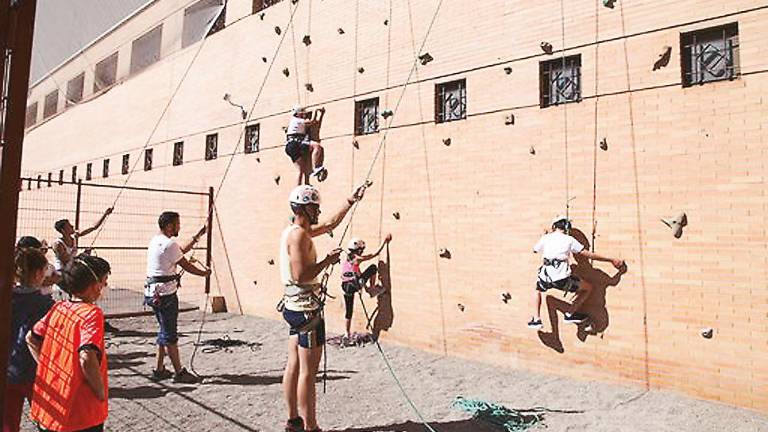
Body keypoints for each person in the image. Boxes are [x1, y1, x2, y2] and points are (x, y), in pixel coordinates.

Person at [280, 182, 369, 432]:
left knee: (294, 365)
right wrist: (328, 261)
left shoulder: (294, 231)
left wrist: (350, 200)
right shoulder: (299, 236)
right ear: (306, 208)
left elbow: (330, 224)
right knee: (308, 373)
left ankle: (293, 420)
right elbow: (300, 274)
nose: (318, 212)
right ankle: (311, 427)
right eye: (315, 207)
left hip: (294, 309)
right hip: (306, 311)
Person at [26, 254, 112, 432]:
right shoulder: (91, 313)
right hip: (79, 413)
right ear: (94, 284)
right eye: (104, 281)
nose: (104, 287)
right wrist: (100, 391)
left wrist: (49, 366)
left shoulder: (59, 307)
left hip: (51, 405)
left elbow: (32, 338)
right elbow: (87, 357)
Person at [145, 211, 210, 383]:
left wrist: (197, 236)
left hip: (154, 293)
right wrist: (204, 274)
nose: (179, 226)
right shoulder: (168, 244)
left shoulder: (156, 241)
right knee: (170, 335)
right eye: (177, 224)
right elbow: (185, 264)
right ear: (169, 226)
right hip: (165, 295)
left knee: (163, 331)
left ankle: (159, 369)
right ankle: (179, 373)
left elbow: (180, 251)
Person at [528, 215, 624, 329]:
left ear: (554, 226)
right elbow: (588, 254)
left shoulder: (546, 238)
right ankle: (570, 313)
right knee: (588, 288)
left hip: (546, 278)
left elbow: (535, 250)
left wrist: (545, 236)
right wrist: (611, 260)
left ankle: (536, 318)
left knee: (538, 289)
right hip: (561, 280)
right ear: (567, 227)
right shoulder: (569, 240)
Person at [4, 246, 55, 432]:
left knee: (8, 421)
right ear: (37, 273)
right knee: (47, 419)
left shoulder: (7, 298)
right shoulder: (46, 304)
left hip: (9, 368)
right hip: (35, 370)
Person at [51, 207, 112, 301]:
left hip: (71, 268)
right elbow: (66, 260)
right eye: (69, 226)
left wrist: (105, 214)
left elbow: (93, 228)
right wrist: (83, 255)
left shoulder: (75, 237)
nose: (72, 226)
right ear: (63, 230)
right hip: (62, 272)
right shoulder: (58, 244)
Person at [340, 234, 392, 340]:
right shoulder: (357, 258)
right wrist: (385, 242)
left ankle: (346, 333)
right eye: (361, 250)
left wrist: (363, 284)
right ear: (358, 250)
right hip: (353, 285)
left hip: (345, 287)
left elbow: (355, 271)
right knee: (373, 268)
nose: (362, 252)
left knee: (349, 311)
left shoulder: (348, 258)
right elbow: (375, 254)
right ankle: (372, 289)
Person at [285, 106, 327, 185]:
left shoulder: (294, 121)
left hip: (290, 146)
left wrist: (320, 114)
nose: (304, 115)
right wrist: (317, 111)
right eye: (303, 113)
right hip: (295, 144)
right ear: (298, 114)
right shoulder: (298, 120)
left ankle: (300, 187)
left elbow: (315, 122)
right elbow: (313, 121)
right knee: (317, 146)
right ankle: (316, 167)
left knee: (301, 169)